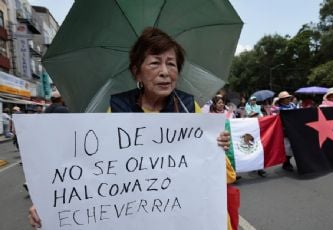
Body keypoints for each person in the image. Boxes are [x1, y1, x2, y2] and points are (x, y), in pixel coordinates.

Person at [29, 27, 237, 230]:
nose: (165, 72)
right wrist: (50, 205)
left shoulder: (189, 109)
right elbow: (90, 170)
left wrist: (217, 149)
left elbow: (225, 176)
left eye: (171, 64)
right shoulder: (118, 111)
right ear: (137, 72)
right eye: (155, 63)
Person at [275, 91, 297, 172]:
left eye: (288, 97)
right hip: (285, 130)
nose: (288, 99)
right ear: (281, 100)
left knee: (295, 146)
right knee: (287, 147)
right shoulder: (278, 109)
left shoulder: (293, 105)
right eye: (286, 98)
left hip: (294, 128)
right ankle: (286, 163)